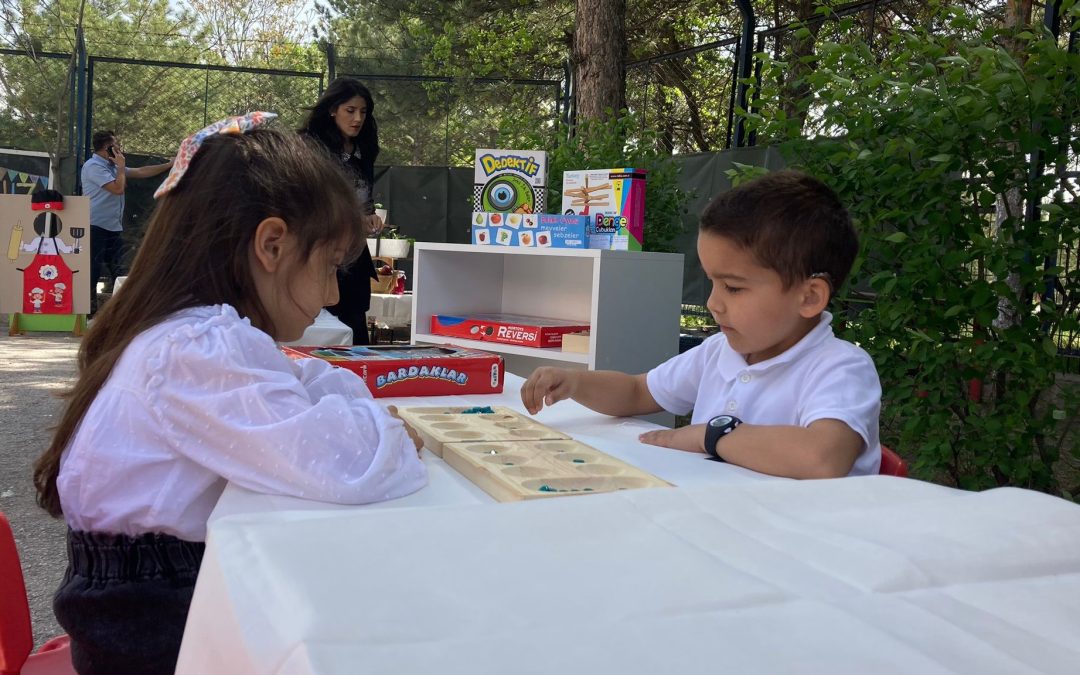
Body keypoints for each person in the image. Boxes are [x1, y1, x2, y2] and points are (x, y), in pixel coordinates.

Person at [33, 114, 428, 675]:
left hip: (150, 606)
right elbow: (351, 463)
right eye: (329, 267)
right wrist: (387, 429)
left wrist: (353, 408)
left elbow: (307, 380)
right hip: (153, 633)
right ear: (271, 245)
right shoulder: (198, 349)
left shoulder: (189, 335)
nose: (335, 292)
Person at [521, 169, 882, 479]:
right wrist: (576, 382)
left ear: (809, 297)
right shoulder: (718, 352)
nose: (712, 303)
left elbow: (822, 458)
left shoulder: (840, 368)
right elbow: (637, 392)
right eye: (712, 282)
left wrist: (710, 437)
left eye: (734, 288)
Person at [299, 77, 385, 344]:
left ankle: (358, 379)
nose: (357, 118)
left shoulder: (365, 148)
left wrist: (368, 214)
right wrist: (350, 217)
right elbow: (306, 198)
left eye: (363, 111)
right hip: (318, 248)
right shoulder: (309, 146)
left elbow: (363, 194)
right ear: (332, 109)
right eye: (350, 110)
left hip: (354, 253)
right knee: (319, 321)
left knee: (356, 321)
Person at [80, 130, 173, 314]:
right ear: (107, 148)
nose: (120, 149)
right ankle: (87, 312)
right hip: (94, 225)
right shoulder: (94, 167)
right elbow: (117, 189)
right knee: (93, 269)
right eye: (116, 146)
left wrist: (170, 164)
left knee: (119, 268)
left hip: (113, 226)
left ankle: (122, 311)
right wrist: (121, 168)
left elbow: (140, 171)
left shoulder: (113, 166)